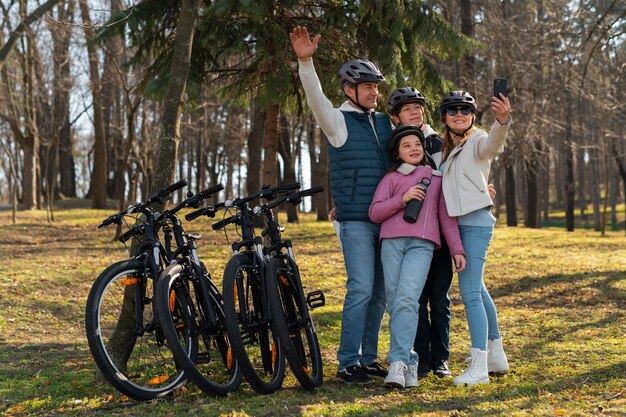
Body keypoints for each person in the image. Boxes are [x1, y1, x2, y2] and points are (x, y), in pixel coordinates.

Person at [290, 26, 391, 384]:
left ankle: (366, 358)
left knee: (379, 293)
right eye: (368, 88)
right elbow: (316, 98)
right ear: (350, 90)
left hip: (388, 220)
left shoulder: (385, 122)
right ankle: (347, 361)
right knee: (361, 287)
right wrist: (306, 63)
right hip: (356, 221)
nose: (375, 93)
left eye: (377, 87)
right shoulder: (338, 121)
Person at [368, 125, 466, 388]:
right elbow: (375, 213)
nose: (413, 148)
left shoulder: (435, 179)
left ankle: (397, 362)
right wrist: (402, 199)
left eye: (417, 144)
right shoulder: (390, 179)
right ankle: (410, 362)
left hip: (422, 246)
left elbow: (446, 218)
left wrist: (456, 249)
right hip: (391, 243)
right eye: (406, 145)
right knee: (395, 303)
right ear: (398, 153)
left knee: (408, 301)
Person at [437, 90, 511, 386]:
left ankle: (478, 365)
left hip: (477, 223)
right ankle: (496, 354)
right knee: (478, 289)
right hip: (456, 224)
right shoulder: (441, 148)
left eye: (465, 110)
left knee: (468, 292)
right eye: (453, 110)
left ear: (472, 116)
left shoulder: (478, 140)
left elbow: (493, 144)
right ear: (444, 116)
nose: (459, 114)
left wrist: (502, 121)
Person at [387, 87, 454, 379]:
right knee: (413, 298)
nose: (415, 112)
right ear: (395, 117)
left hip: (439, 232)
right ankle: (419, 358)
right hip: (406, 235)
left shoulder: (438, 142)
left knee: (439, 298)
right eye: (407, 109)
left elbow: (454, 176)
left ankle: (441, 358)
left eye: (418, 107)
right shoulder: (393, 147)